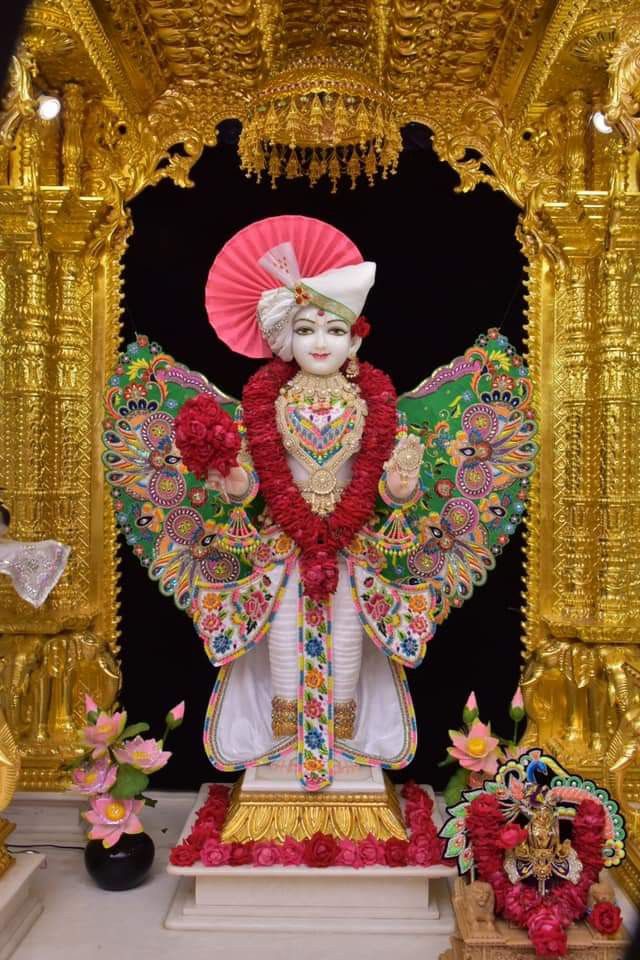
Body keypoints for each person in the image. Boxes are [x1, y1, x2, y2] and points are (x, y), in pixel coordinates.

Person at [104, 215, 537, 790]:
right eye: (305, 330)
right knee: (282, 657)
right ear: (285, 339)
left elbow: (382, 488)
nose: (320, 343)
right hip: (282, 553)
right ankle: (285, 759)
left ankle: (345, 759)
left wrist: (399, 489)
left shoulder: (372, 405)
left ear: (356, 338)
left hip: (354, 554)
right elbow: (257, 480)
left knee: (349, 663)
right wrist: (235, 483)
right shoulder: (267, 405)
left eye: (333, 330)